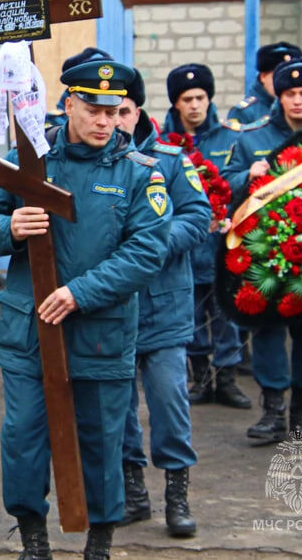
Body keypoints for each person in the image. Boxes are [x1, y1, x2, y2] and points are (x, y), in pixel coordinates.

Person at [0, 59, 171, 560]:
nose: (106, 121)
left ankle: (99, 543)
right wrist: (11, 229)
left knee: (102, 441)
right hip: (29, 330)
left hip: (99, 333)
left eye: (115, 110)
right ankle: (33, 539)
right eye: (94, 109)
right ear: (68, 106)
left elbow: (147, 251)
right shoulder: (31, 161)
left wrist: (80, 292)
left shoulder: (139, 174)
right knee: (23, 438)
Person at [116, 70, 210, 538]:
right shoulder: (85, 165)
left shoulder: (170, 161)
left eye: (123, 111)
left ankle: (178, 493)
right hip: (111, 310)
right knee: (118, 409)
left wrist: (151, 242)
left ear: (138, 112)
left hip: (163, 308)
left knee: (170, 401)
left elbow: (198, 215)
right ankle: (134, 493)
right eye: (105, 112)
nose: (114, 121)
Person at [221, 57, 302, 444]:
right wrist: (246, 175)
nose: (297, 100)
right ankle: (273, 409)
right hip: (267, 253)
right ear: (278, 96)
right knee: (266, 328)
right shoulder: (253, 137)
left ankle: (301, 411)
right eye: (289, 93)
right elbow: (225, 185)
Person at [162, 64, 252, 410]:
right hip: (185, 249)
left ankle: (227, 379)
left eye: (201, 97)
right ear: (176, 104)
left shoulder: (231, 139)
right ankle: (200, 378)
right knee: (191, 315)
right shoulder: (164, 144)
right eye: (187, 99)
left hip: (224, 247)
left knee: (226, 315)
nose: (195, 105)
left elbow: (241, 189)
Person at [227, 42, 302, 125]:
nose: (285, 82)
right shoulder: (244, 114)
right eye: (278, 76)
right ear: (263, 77)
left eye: (290, 76)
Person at [47, 46, 113, 127]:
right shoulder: (53, 124)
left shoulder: (119, 134)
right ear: (69, 105)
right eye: (92, 111)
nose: (103, 122)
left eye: (111, 113)